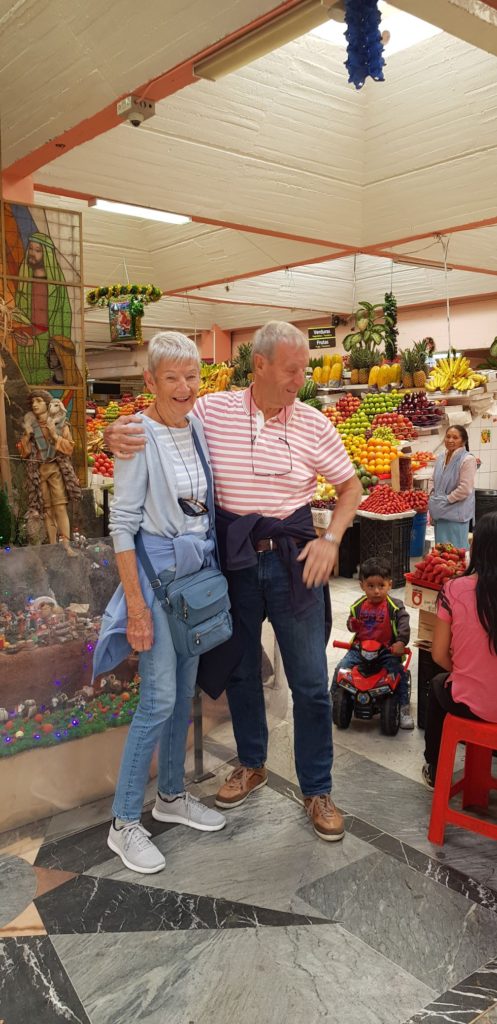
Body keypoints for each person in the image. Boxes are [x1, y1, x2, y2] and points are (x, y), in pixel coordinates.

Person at [104, 321, 362, 843]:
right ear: (259, 366)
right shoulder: (212, 410)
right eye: (292, 369)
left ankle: (317, 787)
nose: (300, 379)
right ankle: (251, 762)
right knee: (242, 670)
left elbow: (351, 487)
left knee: (311, 680)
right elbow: (158, 420)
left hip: (294, 562)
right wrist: (116, 431)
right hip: (232, 564)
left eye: (304, 370)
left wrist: (331, 538)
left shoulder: (313, 422)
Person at [93, 331, 226, 875]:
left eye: (192, 376)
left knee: (182, 693)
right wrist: (137, 607)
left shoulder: (196, 424)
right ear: (149, 381)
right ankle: (124, 823)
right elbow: (121, 525)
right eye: (171, 377)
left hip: (193, 582)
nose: (184, 387)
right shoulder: (136, 436)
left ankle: (170, 796)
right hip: (155, 581)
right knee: (158, 699)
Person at [422, 511, 497, 787]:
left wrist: (468, 671)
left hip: (469, 703)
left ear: (475, 549)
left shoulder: (454, 589)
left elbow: (439, 655)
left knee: (438, 685)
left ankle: (434, 765)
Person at [331, 557, 413, 728]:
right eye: (371, 586)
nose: (376, 591)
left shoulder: (395, 606)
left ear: (389, 585)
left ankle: (404, 708)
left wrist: (400, 642)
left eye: (381, 586)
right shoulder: (358, 605)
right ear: (362, 585)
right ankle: (333, 699)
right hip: (360, 649)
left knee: (398, 674)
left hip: (386, 650)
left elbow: (404, 624)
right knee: (341, 668)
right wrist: (352, 624)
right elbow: (351, 623)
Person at [18, 389, 81, 551]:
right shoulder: (30, 427)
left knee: (60, 507)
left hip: (56, 470)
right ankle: (53, 546)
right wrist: (27, 435)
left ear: (47, 404)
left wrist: (54, 435)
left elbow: (69, 448)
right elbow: (23, 452)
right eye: (33, 402)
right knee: (47, 511)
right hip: (39, 472)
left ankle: (67, 545)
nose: (35, 405)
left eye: (38, 401)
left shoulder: (60, 424)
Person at [13, 232, 74, 386]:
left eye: (38, 250)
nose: (32, 253)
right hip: (25, 337)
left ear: (46, 254)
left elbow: (63, 319)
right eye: (31, 249)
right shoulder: (24, 280)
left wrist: (46, 344)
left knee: (45, 380)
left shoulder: (56, 287)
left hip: (47, 341)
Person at [428, 425, 477, 549]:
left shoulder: (468, 459)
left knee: (455, 553)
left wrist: (447, 500)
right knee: (441, 552)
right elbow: (432, 479)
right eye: (448, 436)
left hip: (456, 514)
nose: (450, 440)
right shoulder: (440, 457)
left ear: (463, 441)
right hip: (440, 512)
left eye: (455, 437)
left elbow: (465, 488)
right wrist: (432, 495)